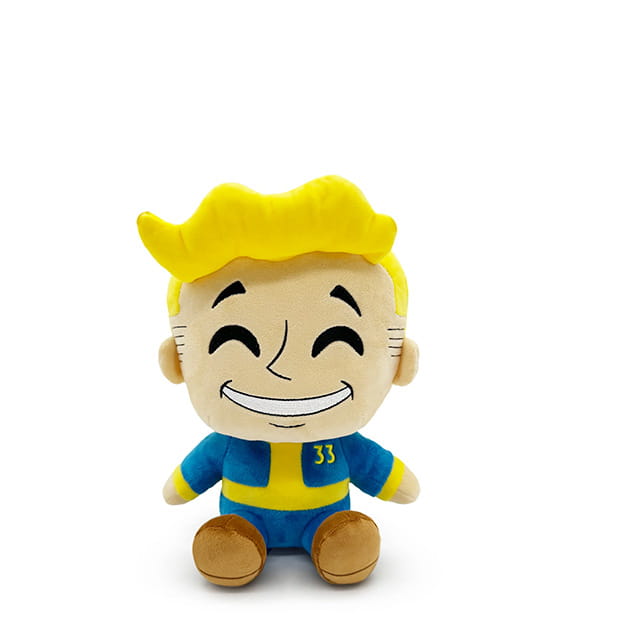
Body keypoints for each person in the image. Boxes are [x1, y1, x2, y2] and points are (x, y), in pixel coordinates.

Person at [138, 175, 420, 586]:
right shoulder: (229, 443)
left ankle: (335, 539)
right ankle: (237, 543)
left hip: (327, 518)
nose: (281, 371)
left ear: (401, 363)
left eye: (336, 339)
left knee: (346, 540)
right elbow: (184, 482)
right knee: (228, 544)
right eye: (235, 338)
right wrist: (177, 488)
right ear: (174, 361)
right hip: (244, 519)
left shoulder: (338, 441)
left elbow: (383, 472)